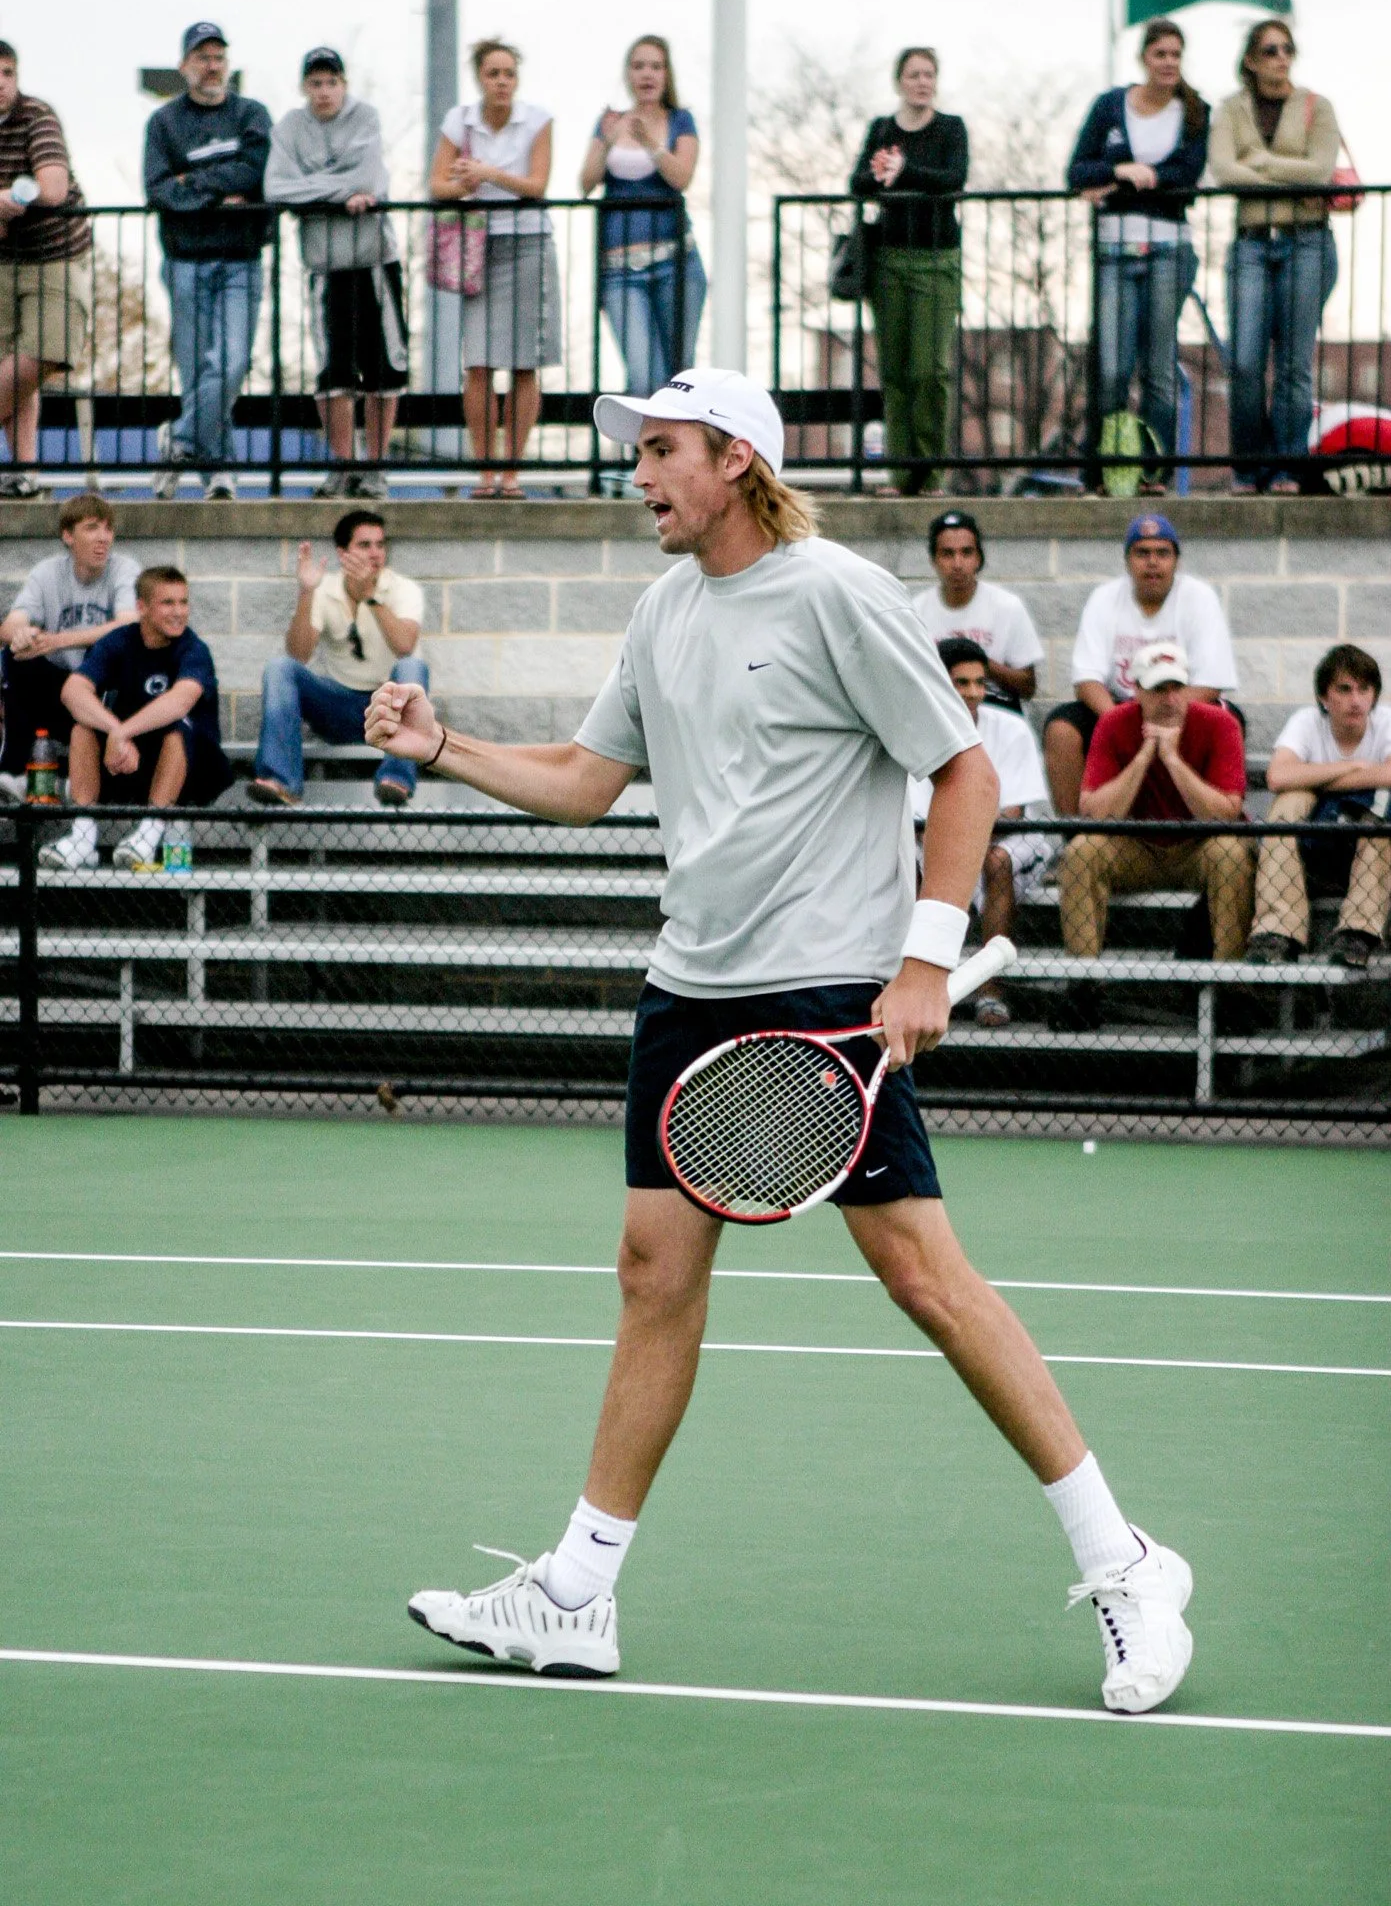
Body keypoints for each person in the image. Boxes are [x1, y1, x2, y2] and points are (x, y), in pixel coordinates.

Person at [366, 365, 1195, 1717]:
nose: (637, 474)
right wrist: (444, 744)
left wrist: (924, 952)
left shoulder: (829, 592)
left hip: (820, 988)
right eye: (634, 452)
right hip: (688, 985)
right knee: (651, 1275)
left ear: (738, 459)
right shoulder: (661, 610)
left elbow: (964, 766)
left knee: (923, 1278)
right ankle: (576, 1595)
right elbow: (586, 786)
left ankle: (1127, 1562)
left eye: (663, 451)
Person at [1067, 20, 1209, 494]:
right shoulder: (1110, 106)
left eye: (1175, 55)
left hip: (1169, 247)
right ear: (1144, 58)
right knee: (1111, 367)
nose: (1168, 63)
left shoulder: (1194, 111)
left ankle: (1153, 473)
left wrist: (1117, 183)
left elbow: (1185, 175)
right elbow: (1077, 170)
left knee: (1159, 368)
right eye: (1160, 54)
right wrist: (1121, 169)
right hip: (1114, 249)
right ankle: (1104, 470)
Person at [264, 48, 406, 500]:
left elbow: (371, 179)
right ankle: (341, 468)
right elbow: (276, 187)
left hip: (374, 259)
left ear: (344, 84)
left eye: (332, 82)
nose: (324, 92)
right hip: (324, 265)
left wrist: (314, 189)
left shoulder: (366, 117)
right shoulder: (289, 128)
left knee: (385, 369)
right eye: (316, 83)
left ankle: (375, 467)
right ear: (305, 87)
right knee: (333, 372)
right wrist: (340, 192)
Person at [1058, 639, 1254, 963]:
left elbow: (1226, 815)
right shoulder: (1114, 723)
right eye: (1159, 688)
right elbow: (1094, 814)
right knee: (1081, 852)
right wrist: (1146, 754)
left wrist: (1173, 760)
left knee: (1231, 853)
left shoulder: (1220, 724)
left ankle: (1229, 982)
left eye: (1178, 687)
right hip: (1137, 847)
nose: (1171, 698)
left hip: (1198, 847)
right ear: (1137, 690)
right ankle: (1083, 984)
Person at [1208, 21, 1341, 495]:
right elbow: (1224, 170)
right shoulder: (1230, 109)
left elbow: (1322, 170)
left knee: (1293, 365)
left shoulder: (1315, 107)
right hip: (1251, 244)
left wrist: (1259, 164)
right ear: (1251, 60)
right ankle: (1248, 467)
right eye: (1270, 50)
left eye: (1287, 49)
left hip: (1307, 242)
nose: (1281, 58)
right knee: (1244, 363)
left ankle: (1286, 466)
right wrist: (1289, 176)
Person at [143, 23, 272, 501]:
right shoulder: (163, 123)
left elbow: (257, 170)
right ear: (184, 66)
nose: (211, 65)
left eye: (218, 56)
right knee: (199, 371)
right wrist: (218, 194)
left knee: (233, 361)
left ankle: (178, 439)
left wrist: (192, 181)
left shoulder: (252, 114)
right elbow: (158, 189)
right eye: (202, 57)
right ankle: (219, 471)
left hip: (241, 258)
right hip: (185, 259)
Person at [1043, 512, 1240, 816]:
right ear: (1127, 561)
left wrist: (1163, 708)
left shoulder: (1199, 597)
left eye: (1163, 553)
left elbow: (1211, 682)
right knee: (1061, 730)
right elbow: (1086, 681)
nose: (1152, 562)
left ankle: (1211, 831)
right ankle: (1074, 838)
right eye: (1142, 553)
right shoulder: (1104, 598)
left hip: (1182, 704)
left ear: (1176, 560)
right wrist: (1124, 722)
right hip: (1118, 707)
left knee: (1230, 721)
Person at [40, 567, 233, 871]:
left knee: (178, 727)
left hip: (195, 772)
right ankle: (82, 839)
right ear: (142, 607)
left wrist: (122, 733)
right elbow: (73, 691)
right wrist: (116, 731)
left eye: (183, 602)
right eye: (168, 603)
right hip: (130, 763)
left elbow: (180, 701)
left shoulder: (194, 650)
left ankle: (149, 833)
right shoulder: (119, 641)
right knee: (82, 729)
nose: (179, 612)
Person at [429, 41, 556, 499]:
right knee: (478, 362)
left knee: (524, 364)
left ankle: (512, 473)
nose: (501, 81)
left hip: (528, 242)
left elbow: (537, 185)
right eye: (492, 73)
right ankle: (485, 472)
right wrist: (465, 182)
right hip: (478, 243)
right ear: (479, 78)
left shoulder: (537, 120)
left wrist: (488, 173)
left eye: (508, 73)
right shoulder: (458, 120)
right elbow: (437, 184)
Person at [912, 637, 1053, 1026]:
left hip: (1009, 836)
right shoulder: (913, 730)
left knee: (997, 861)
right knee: (907, 862)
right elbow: (916, 821)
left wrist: (963, 837)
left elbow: (1014, 810)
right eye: (962, 683)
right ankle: (916, 985)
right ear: (939, 682)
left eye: (979, 682)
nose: (974, 693)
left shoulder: (1011, 728)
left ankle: (991, 992)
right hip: (940, 838)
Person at [248, 509, 426, 808]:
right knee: (280, 667)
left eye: (380, 545)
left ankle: (396, 779)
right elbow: (298, 654)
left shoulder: (403, 589)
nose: (375, 553)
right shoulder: (325, 588)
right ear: (343, 553)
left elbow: (405, 646)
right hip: (338, 708)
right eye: (364, 545)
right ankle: (281, 782)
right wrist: (306, 593)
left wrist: (371, 596)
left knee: (412, 667)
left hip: (388, 710)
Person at [850, 48, 968, 495]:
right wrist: (881, 173)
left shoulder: (950, 128)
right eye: (914, 74)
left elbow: (954, 178)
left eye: (929, 74)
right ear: (899, 81)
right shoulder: (882, 129)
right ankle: (900, 473)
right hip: (889, 259)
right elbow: (857, 183)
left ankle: (931, 470)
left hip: (936, 260)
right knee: (895, 372)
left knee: (930, 369)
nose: (922, 82)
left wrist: (906, 170)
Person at [1246, 645, 1391, 970]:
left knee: (1384, 802)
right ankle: (1277, 933)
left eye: (1364, 689)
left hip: (1369, 857)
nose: (1356, 700)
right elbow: (1278, 777)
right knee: (1289, 801)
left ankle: (1358, 932)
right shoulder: (1307, 721)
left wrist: (1314, 777)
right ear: (1325, 697)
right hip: (1312, 856)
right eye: (1344, 689)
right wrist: (1353, 768)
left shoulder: (1386, 722)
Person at [580, 35, 704, 398]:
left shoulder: (681, 120)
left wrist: (651, 143)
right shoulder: (611, 122)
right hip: (620, 270)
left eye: (655, 66)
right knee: (644, 376)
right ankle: (641, 454)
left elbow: (682, 177)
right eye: (638, 66)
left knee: (679, 379)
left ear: (667, 74)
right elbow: (586, 183)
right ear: (627, 74)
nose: (647, 74)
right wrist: (605, 141)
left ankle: (679, 454)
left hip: (675, 264)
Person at [0, 41, 93, 501]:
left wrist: (11, 198)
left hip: (54, 253)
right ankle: (23, 472)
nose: (1, 83)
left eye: (7, 72)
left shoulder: (37, 115)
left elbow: (53, 188)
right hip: (2, 261)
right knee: (13, 367)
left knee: (45, 352)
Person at [0, 494, 139, 796]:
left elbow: (128, 626)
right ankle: (15, 771)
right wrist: (24, 636)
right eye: (92, 528)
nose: (103, 538)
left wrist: (58, 641)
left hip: (104, 698)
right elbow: (10, 625)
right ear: (67, 535)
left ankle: (89, 775)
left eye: (108, 529)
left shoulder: (124, 570)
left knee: (107, 651)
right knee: (15, 655)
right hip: (60, 695)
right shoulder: (48, 572)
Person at [912, 509, 1043, 708]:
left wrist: (978, 662)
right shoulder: (916, 610)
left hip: (996, 705)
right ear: (933, 560)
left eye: (966, 552)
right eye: (947, 554)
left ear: (978, 559)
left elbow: (1028, 687)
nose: (957, 564)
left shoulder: (1007, 606)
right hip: (939, 710)